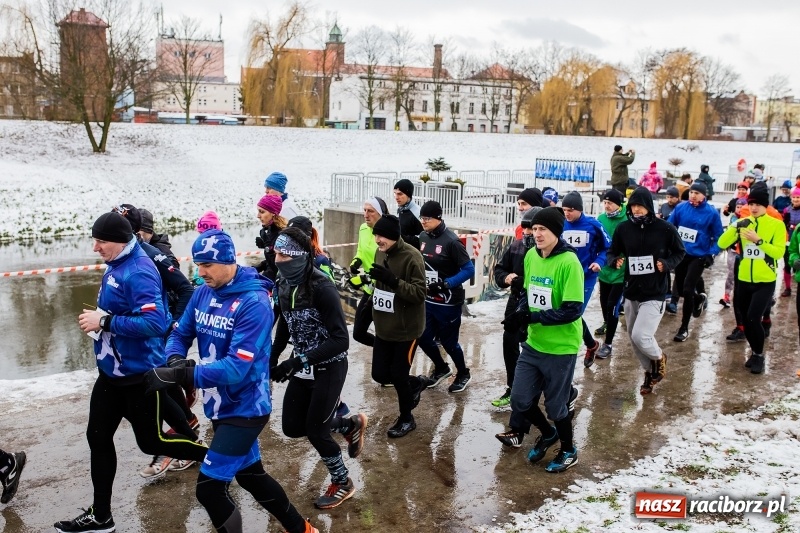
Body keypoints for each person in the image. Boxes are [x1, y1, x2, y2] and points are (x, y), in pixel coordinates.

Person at [144, 229, 318, 533]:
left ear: (228, 261)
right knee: (252, 477)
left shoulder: (254, 302)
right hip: (219, 405)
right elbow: (181, 333)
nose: (200, 272)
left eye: (207, 265)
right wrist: (174, 359)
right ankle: (302, 529)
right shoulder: (202, 291)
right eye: (198, 264)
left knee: (208, 490)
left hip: (247, 407)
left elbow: (237, 367)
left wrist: (186, 375)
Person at [55, 212, 208, 533]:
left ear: (121, 241)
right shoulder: (119, 263)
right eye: (94, 240)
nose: (95, 247)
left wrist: (105, 322)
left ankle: (220, 459)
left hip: (139, 376)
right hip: (112, 374)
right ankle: (101, 517)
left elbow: (156, 323)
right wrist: (102, 321)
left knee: (151, 442)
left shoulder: (138, 271)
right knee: (97, 437)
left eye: (101, 241)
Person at [270, 227, 364, 510]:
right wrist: (273, 357)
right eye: (275, 252)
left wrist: (297, 360)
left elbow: (340, 340)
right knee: (291, 427)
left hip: (330, 367)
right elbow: (285, 322)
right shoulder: (282, 283)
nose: (277, 259)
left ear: (300, 257)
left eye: (283, 254)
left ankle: (343, 482)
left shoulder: (322, 287)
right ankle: (349, 424)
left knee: (316, 432)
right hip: (302, 367)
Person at [112, 204, 199, 478]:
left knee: (158, 390)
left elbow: (185, 288)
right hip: (135, 341)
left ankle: (187, 446)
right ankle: (187, 436)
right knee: (161, 391)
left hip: (155, 337)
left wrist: (174, 324)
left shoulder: (152, 256)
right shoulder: (118, 259)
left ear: (135, 232)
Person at [496, 207, 583, 472]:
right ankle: (548, 434)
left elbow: (572, 309)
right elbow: (528, 291)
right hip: (534, 344)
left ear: (557, 231)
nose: (537, 234)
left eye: (543, 229)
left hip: (561, 347)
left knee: (557, 406)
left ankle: (569, 450)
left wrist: (533, 318)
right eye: (534, 229)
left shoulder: (569, 263)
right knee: (520, 399)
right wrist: (520, 315)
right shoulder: (532, 255)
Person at [607, 187, 685, 395]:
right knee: (634, 338)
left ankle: (659, 358)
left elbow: (680, 252)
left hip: (655, 292)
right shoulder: (623, 229)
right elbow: (612, 251)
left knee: (642, 335)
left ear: (649, 207)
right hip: (631, 290)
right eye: (633, 206)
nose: (636, 210)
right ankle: (649, 373)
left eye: (640, 206)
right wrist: (615, 260)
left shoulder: (665, 229)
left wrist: (666, 264)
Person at [367, 215, 428, 437]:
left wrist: (393, 280)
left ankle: (406, 419)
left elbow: (420, 294)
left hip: (406, 329)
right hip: (384, 326)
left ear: (393, 236)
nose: (377, 240)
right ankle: (416, 384)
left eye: (381, 236)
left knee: (398, 374)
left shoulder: (412, 257)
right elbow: (380, 287)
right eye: (375, 235)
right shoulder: (380, 252)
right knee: (380, 374)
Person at [717, 187, 786, 374]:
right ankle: (755, 352)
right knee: (745, 320)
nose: (754, 208)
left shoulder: (776, 225)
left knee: (754, 318)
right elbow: (721, 244)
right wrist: (735, 227)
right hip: (744, 279)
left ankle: (758, 355)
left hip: (765, 280)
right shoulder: (742, 222)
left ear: (765, 206)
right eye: (751, 204)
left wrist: (759, 240)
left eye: (758, 204)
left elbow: (779, 252)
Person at [417, 200, 476, 393]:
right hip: (428, 299)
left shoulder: (452, 241)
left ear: (439, 218)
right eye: (422, 218)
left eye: (427, 218)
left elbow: (469, 270)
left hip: (448, 301)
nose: (423, 221)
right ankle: (441, 368)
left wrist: (446, 284)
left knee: (449, 342)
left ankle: (463, 373)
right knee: (422, 337)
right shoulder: (423, 236)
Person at [493, 206, 542, 407]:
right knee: (510, 341)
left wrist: (525, 281)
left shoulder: (552, 252)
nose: (529, 233)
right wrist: (506, 277)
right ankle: (513, 387)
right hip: (515, 300)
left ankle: (551, 388)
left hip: (540, 305)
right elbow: (499, 269)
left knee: (533, 346)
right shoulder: (516, 246)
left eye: (534, 228)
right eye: (526, 228)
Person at [667, 182, 723, 342]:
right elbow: (670, 227)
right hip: (681, 254)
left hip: (699, 255)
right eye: (691, 192)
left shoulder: (711, 213)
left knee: (688, 287)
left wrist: (711, 253)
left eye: (697, 193)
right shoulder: (680, 208)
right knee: (682, 289)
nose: (693, 195)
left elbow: (719, 236)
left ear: (704, 195)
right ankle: (698, 299)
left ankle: (684, 328)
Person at [560, 191, 610, 368]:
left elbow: (608, 248)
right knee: (566, 312)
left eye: (571, 210)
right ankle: (591, 344)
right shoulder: (560, 224)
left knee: (574, 314)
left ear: (580, 209)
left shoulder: (593, 225)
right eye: (564, 209)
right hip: (564, 276)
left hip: (586, 277)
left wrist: (599, 262)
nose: (567, 213)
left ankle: (570, 354)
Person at [348, 197, 388, 348]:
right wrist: (356, 261)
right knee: (358, 333)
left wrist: (365, 278)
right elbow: (360, 251)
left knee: (385, 332)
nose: (366, 214)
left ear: (380, 213)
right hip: (369, 289)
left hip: (384, 291)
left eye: (370, 211)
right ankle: (383, 349)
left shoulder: (387, 235)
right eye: (364, 210)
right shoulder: (363, 228)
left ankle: (387, 358)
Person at [595, 189, 627, 359]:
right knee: (603, 301)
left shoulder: (627, 220)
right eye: (605, 203)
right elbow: (597, 242)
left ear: (619, 204)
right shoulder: (600, 219)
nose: (607, 206)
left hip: (620, 271)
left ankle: (608, 344)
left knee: (612, 305)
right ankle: (607, 323)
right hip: (604, 269)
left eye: (610, 203)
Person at [720, 198, 747, 309]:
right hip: (733, 250)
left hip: (745, 252)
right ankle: (726, 295)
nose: (740, 209)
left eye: (742, 207)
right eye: (738, 207)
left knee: (743, 275)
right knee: (731, 272)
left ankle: (741, 296)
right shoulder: (733, 218)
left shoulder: (750, 219)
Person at [288, 215, 334, 280]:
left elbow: (330, 285)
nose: (288, 240)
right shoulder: (286, 256)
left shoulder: (321, 260)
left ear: (306, 238)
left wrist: (311, 267)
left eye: (293, 236)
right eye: (287, 235)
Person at [253, 194, 287, 282]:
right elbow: (269, 262)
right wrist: (259, 267)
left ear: (273, 213)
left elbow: (279, 266)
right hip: (270, 275)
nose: (258, 215)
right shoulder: (267, 230)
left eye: (262, 212)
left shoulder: (283, 234)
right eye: (258, 211)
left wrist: (268, 247)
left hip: (280, 281)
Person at [780, 187, 800, 297]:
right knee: (787, 264)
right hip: (788, 241)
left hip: (799, 241)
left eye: (798, 197)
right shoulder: (787, 210)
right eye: (794, 197)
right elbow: (784, 226)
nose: (796, 199)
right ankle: (787, 288)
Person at [393, 178, 423, 249]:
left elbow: (424, 239)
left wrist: (401, 237)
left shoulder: (417, 213)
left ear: (408, 195)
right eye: (395, 193)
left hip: (414, 255)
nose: (396, 197)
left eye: (400, 194)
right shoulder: (400, 209)